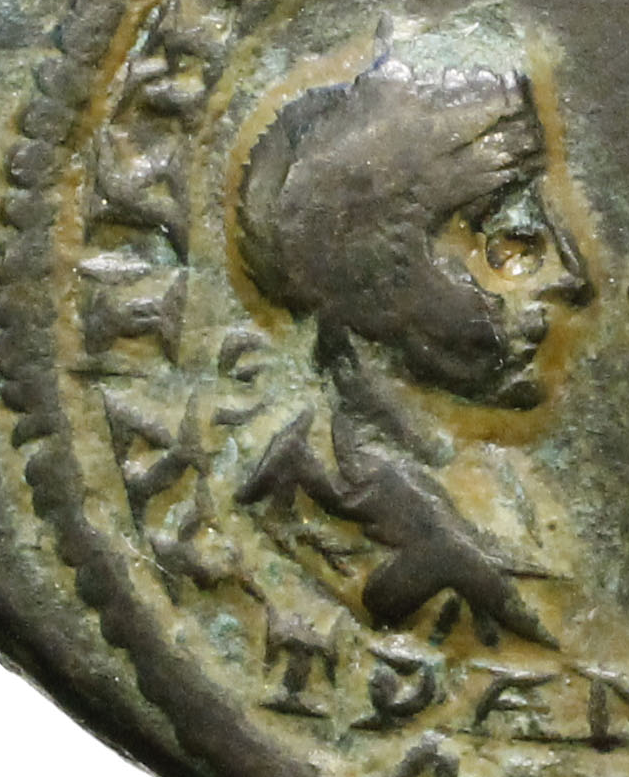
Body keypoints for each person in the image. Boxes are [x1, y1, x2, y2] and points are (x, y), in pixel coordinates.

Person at [232, 47, 593, 647]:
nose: (575, 277)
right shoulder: (324, 512)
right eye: (509, 244)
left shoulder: (489, 487)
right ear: (373, 275)